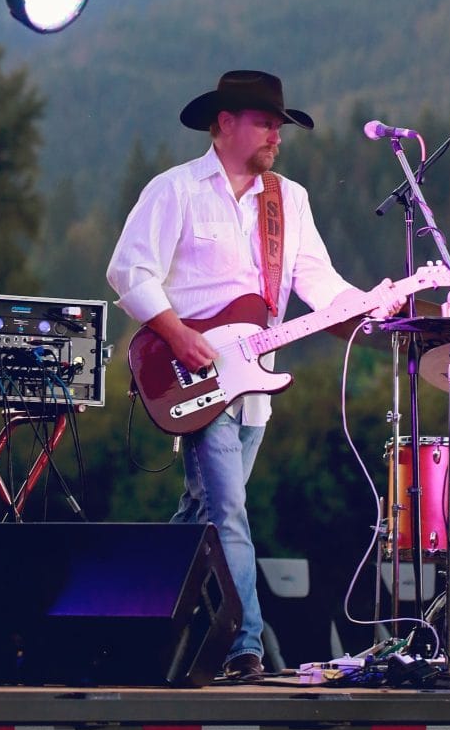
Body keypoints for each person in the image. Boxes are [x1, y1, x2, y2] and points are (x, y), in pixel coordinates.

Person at [106, 69, 403, 681]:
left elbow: (317, 280)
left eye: (278, 125)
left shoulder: (288, 200)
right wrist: (179, 335)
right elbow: (129, 272)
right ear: (225, 123)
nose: (276, 135)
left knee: (200, 515)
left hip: (254, 386)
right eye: (266, 123)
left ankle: (134, 618)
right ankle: (245, 645)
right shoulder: (175, 190)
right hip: (193, 373)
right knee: (228, 509)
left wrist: (371, 303)